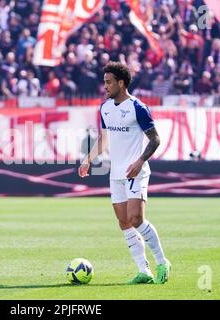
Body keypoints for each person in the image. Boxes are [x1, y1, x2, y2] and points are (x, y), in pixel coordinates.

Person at [78, 62, 171, 285]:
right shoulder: (105, 108)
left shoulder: (137, 107)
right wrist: (88, 159)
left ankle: (162, 262)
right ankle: (143, 270)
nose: (105, 86)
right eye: (104, 82)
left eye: (109, 82)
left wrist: (140, 161)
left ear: (121, 83)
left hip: (135, 171)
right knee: (123, 222)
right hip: (116, 173)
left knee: (136, 218)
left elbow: (155, 139)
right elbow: (104, 138)